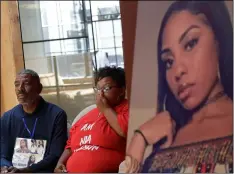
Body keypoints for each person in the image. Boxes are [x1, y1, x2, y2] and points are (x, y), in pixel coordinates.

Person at [124, 1, 233, 173]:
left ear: (219, 40)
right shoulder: (167, 137)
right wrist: (139, 139)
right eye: (169, 61)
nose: (178, 71)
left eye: (190, 44)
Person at [54, 66, 129, 173]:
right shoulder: (86, 115)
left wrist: (105, 109)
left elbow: (126, 131)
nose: (100, 94)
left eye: (106, 88)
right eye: (98, 89)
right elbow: (70, 146)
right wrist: (60, 163)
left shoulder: (128, 109)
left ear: (121, 90)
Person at [0, 69, 68, 173]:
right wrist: (5, 167)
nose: (20, 89)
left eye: (26, 84)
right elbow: (3, 154)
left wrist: (25, 170)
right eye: (17, 85)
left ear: (39, 88)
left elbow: (55, 155)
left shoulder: (56, 115)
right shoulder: (7, 117)